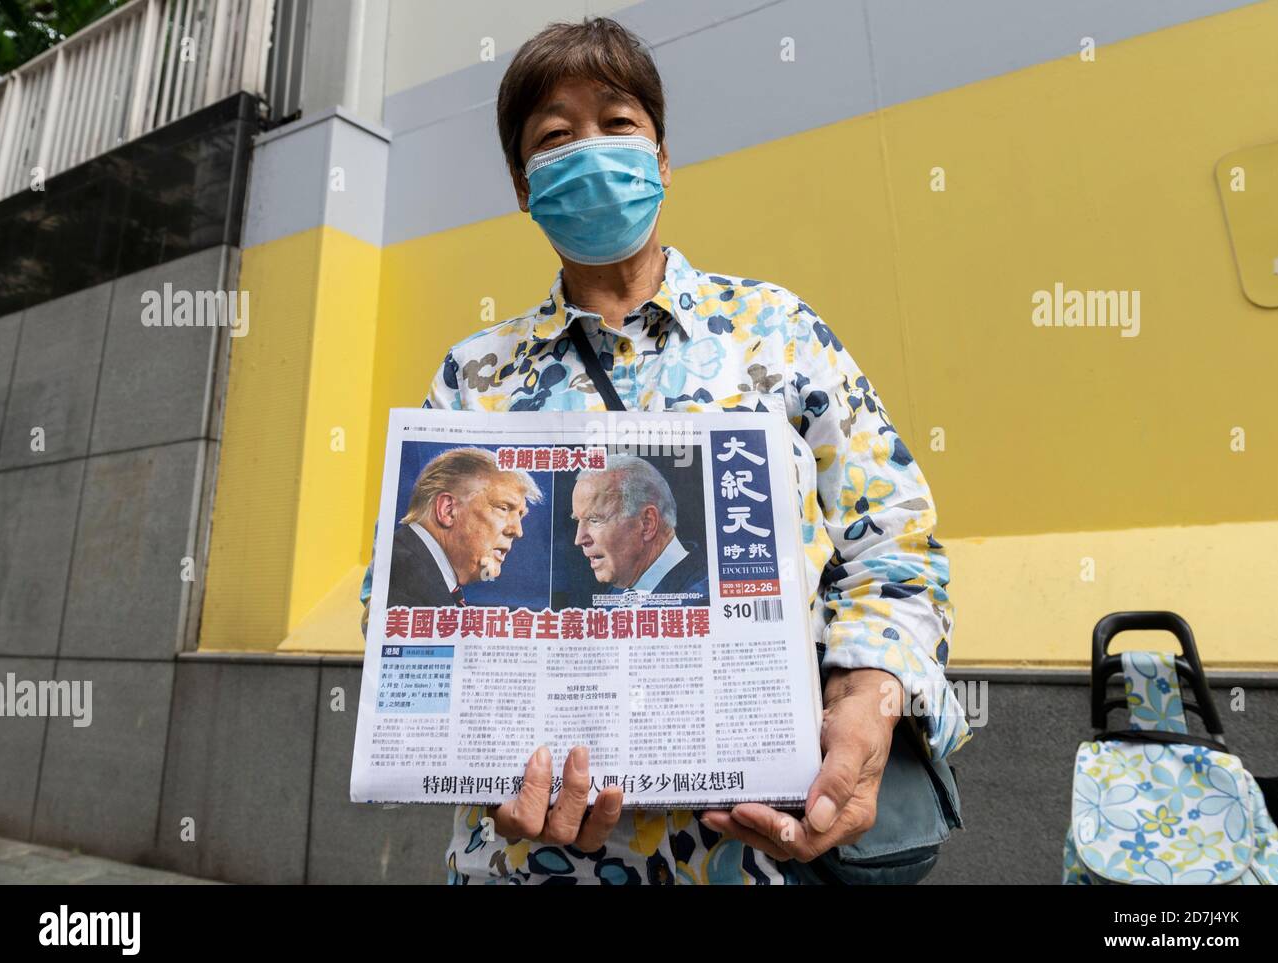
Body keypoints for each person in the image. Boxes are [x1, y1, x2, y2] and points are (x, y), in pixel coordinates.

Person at [371, 16, 973, 884]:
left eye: (617, 124)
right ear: (522, 183)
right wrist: (469, 748)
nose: (590, 149)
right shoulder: (475, 375)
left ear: (659, 158)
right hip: (534, 862)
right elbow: (395, 596)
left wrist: (873, 695)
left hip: (761, 857)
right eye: (554, 135)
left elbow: (896, 545)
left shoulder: (780, 334)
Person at [386, 447, 541, 608]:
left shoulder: (419, 575)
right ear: (448, 510)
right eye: (503, 508)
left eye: (520, 515)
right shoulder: (401, 580)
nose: (518, 531)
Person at [570, 453, 708, 607]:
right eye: (578, 521)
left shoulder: (703, 600)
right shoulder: (617, 593)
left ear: (647, 523)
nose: (579, 539)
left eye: (594, 520)